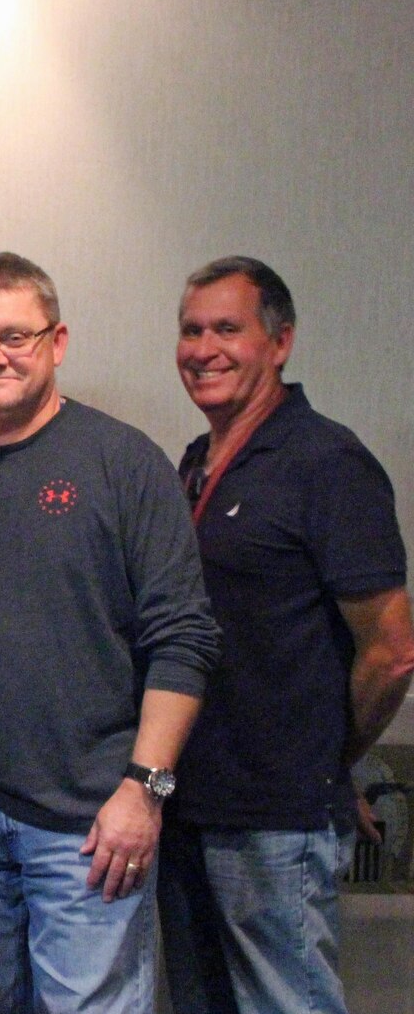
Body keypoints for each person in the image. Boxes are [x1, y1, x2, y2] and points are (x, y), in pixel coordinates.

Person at [0, 252, 220, 1012]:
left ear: (58, 341)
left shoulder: (124, 463)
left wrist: (145, 790)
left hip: (93, 822)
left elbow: (185, 638)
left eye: (15, 335)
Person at [159, 256, 414, 1014]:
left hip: (273, 814)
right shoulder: (196, 463)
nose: (204, 348)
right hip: (189, 800)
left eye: (227, 329)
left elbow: (394, 648)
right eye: (191, 329)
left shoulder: (327, 462)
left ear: (280, 341)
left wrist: (326, 763)